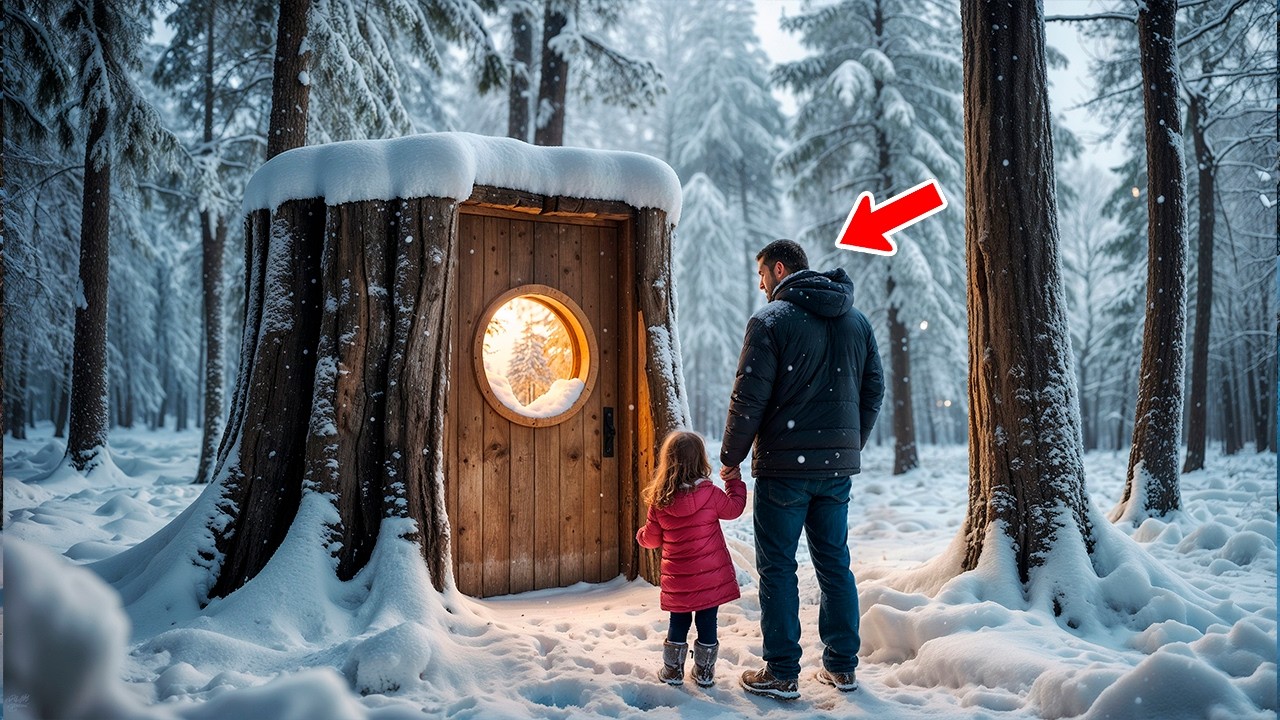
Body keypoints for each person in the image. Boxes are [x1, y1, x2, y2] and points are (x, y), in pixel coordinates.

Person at [721, 239, 884, 700]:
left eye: (760, 277)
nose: (760, 286)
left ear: (777, 269)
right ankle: (842, 666)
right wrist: (847, 443)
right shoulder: (856, 321)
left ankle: (782, 672)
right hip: (835, 471)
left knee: (777, 567)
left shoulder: (771, 321)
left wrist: (731, 457)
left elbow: (748, 397)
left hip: (783, 471)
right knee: (835, 564)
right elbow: (874, 390)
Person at [636, 430, 747, 687]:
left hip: (679, 579)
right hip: (711, 576)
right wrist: (734, 483)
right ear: (700, 460)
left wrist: (641, 535)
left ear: (668, 461)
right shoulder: (710, 494)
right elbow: (735, 509)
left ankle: (673, 671)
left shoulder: (660, 500)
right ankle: (705, 672)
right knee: (708, 621)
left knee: (679, 621)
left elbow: (651, 539)